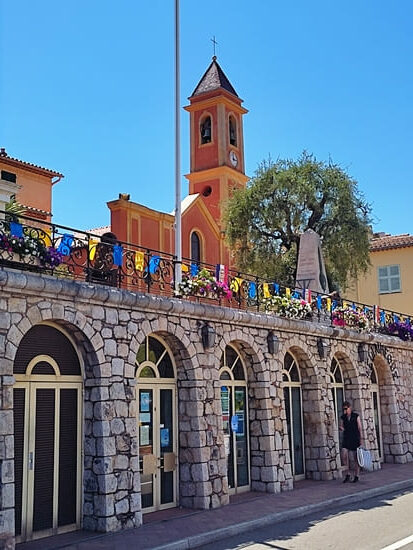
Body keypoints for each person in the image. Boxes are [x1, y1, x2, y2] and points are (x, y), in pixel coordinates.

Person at [339, 400, 363, 483]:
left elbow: (359, 428)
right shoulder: (343, 417)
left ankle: (357, 475)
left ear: (350, 408)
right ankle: (348, 474)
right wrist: (341, 428)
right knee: (344, 455)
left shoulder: (356, 416)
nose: (345, 410)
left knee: (356, 457)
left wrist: (361, 439)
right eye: (344, 409)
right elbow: (342, 426)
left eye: (346, 408)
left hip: (354, 438)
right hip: (347, 438)